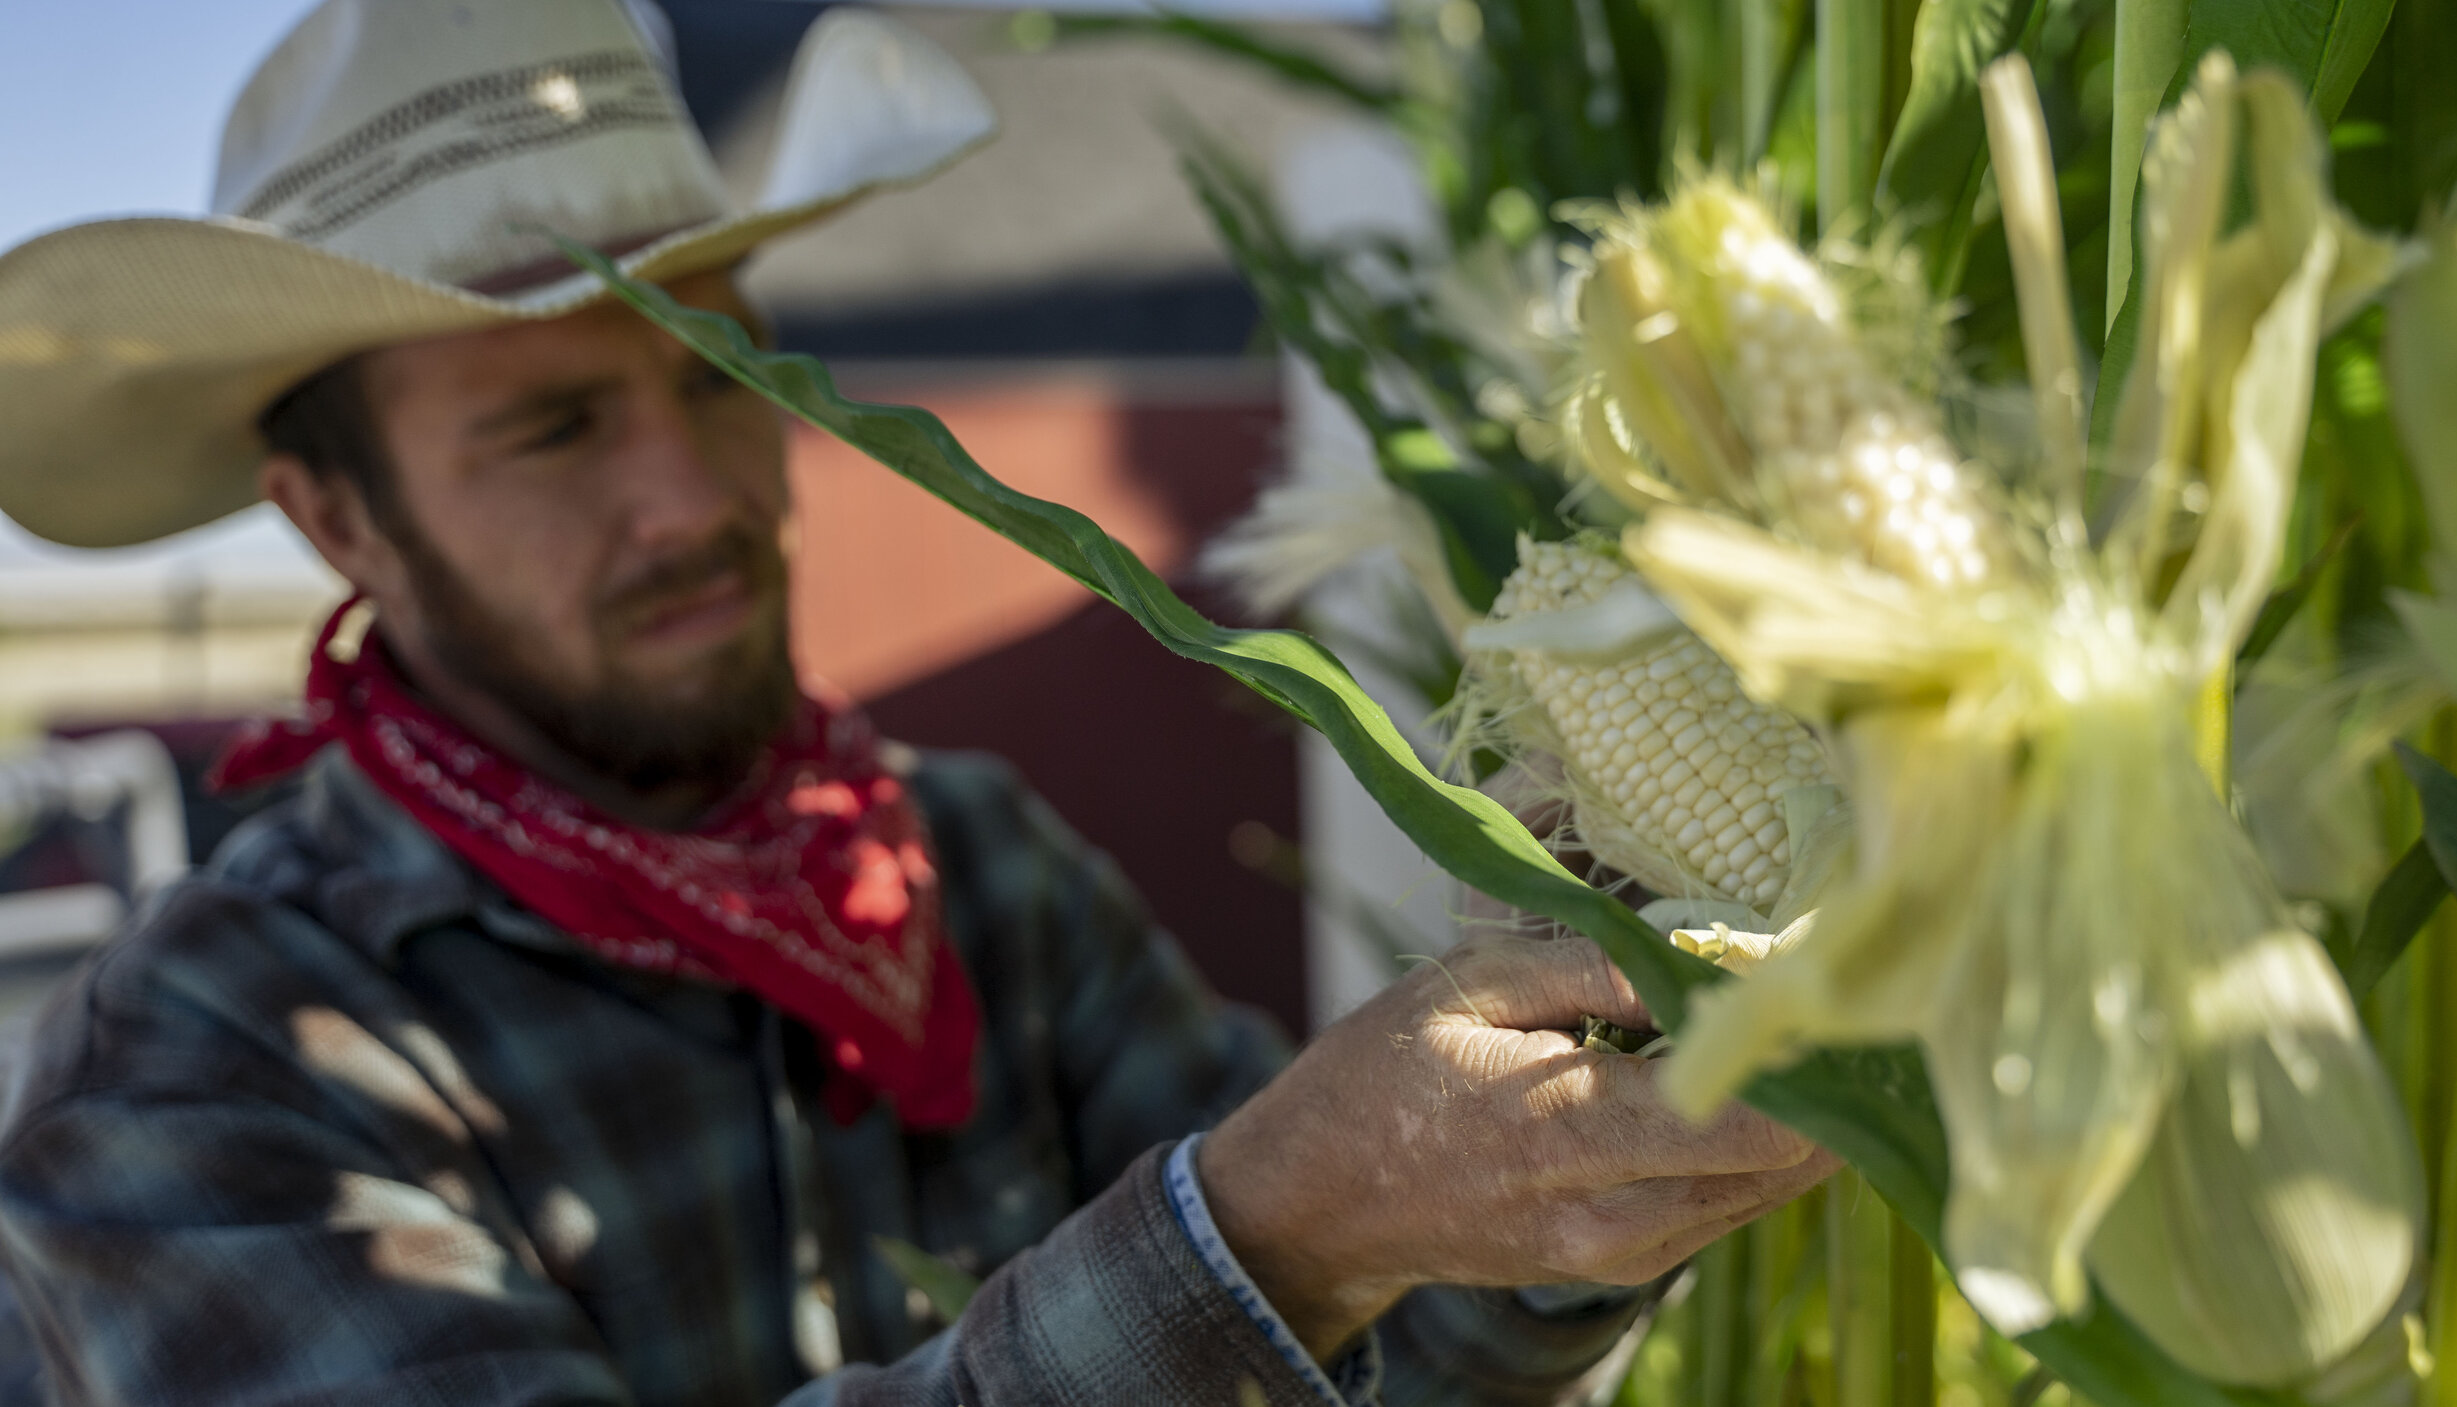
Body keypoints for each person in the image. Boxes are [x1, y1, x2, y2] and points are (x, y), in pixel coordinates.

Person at [0, 3, 1834, 1404]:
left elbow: (1370, 1363)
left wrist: (1556, 1189)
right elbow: (1287, 1259)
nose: (698, 492)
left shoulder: (970, 864)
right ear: (338, 518)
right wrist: (1270, 1228)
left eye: (723, 367)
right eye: (555, 425)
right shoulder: (186, 1087)